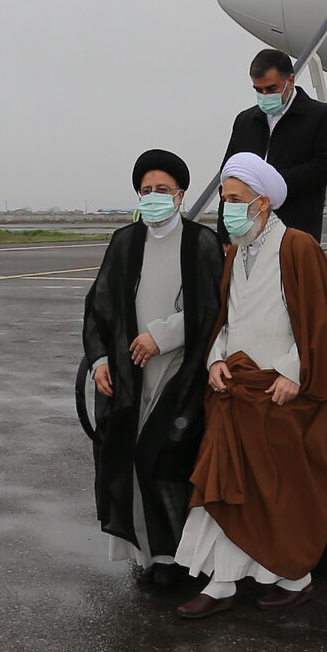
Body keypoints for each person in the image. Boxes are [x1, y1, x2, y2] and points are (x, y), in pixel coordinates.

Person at [175, 153, 327, 619]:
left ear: (263, 203)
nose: (226, 209)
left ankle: (295, 578)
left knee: (277, 495)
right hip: (237, 393)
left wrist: (295, 373)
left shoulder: (298, 247)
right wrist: (215, 360)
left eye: (234, 200)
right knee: (226, 486)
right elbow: (228, 322)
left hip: (280, 395)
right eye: (225, 200)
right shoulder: (235, 251)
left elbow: (321, 322)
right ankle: (223, 582)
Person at [82, 150, 223, 587]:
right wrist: (101, 360)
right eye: (146, 191)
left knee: (165, 460)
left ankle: (181, 558)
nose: (155, 197)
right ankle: (152, 556)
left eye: (163, 190)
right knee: (129, 460)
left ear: (181, 195)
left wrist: (163, 334)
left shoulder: (200, 242)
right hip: (130, 376)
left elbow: (213, 306)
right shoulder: (125, 242)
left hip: (179, 374)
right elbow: (99, 306)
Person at [217, 49, 327, 242]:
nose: (264, 95)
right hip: (247, 228)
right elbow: (227, 175)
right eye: (258, 90)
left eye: (271, 89)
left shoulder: (320, 115)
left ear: (290, 81)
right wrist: (224, 233)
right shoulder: (245, 120)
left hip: (295, 226)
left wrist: (272, 183)